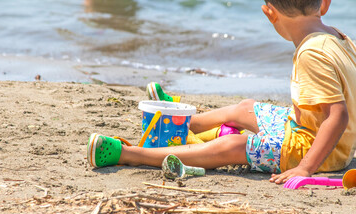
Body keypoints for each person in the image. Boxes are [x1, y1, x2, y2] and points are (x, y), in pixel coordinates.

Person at [87, 0, 356, 184]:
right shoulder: (337, 37)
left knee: (234, 146)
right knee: (244, 108)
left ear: (269, 13)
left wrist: (305, 168)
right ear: (325, 3)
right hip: (305, 130)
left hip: (316, 151)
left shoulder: (311, 54)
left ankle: (129, 154)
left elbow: (338, 116)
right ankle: (178, 120)